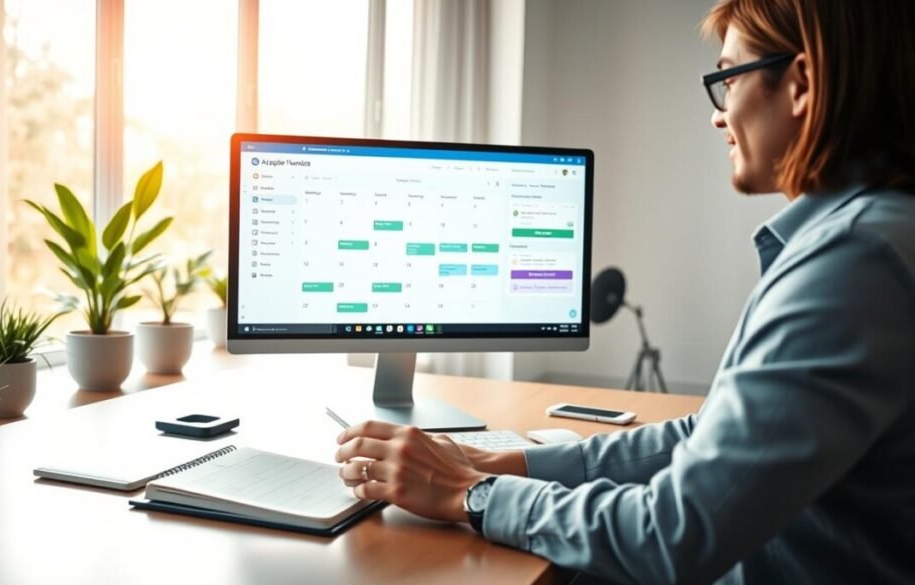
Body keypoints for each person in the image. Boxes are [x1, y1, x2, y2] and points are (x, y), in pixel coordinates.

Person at [334, 0, 915, 583]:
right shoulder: (874, 235)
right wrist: (505, 462)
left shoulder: (852, 264)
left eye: (727, 78)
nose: (718, 115)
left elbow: (674, 533)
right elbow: (708, 437)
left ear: (801, 84)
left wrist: (473, 493)